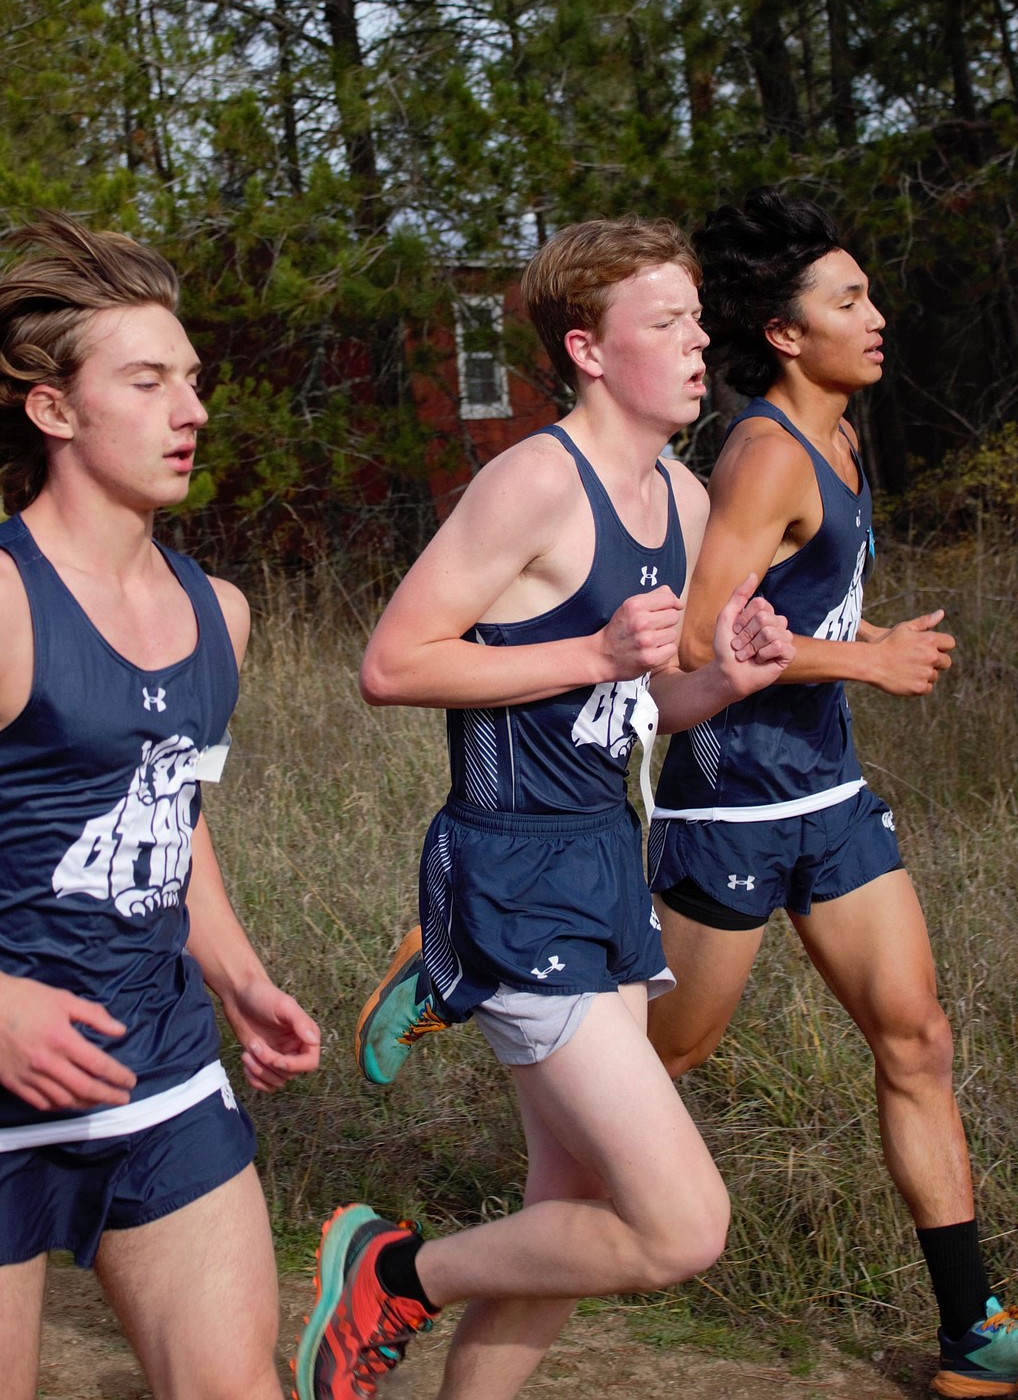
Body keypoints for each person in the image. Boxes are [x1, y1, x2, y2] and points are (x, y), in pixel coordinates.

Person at [293, 216, 794, 1400]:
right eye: (664, 322)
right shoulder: (531, 479)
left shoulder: (676, 495)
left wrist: (725, 679)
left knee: (565, 1210)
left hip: (608, 863)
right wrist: (589, 648)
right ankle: (394, 1267)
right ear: (587, 347)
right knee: (679, 1224)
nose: (696, 343)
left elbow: (645, 702)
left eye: (697, 320)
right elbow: (394, 663)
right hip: (512, 870)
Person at [644, 186, 1018, 1400]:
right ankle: (474, 960)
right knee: (662, 1052)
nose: (876, 315)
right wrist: (869, 660)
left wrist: (858, 633)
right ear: (786, 333)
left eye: (869, 292)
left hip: (828, 795)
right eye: (849, 300)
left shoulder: (839, 438)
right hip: (731, 803)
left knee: (917, 1037)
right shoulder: (768, 449)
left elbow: (791, 611)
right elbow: (691, 640)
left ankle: (974, 1327)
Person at [0, 215, 321, 1400]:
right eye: (148, 381)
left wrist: (237, 975)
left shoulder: (220, 612)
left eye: (193, 380)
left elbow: (165, 816)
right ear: (55, 409)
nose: (191, 408)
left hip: (165, 1062)